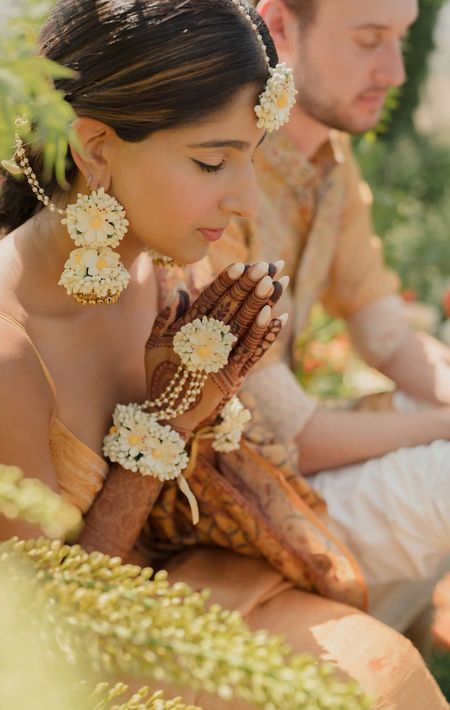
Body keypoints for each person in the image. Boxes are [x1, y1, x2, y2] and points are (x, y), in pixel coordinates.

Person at [0, 0, 446, 707]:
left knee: (386, 670)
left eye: (251, 160)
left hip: (193, 581)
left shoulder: (156, 271)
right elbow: (43, 639)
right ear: (95, 147)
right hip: (94, 661)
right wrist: (162, 426)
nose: (247, 202)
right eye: (212, 161)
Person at [207, 0, 450, 634]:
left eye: (401, 40)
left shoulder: (331, 166)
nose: (395, 71)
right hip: (228, 494)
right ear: (281, 26)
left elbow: (386, 333)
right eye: (370, 40)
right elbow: (294, 434)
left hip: (292, 458)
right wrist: (443, 423)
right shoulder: (214, 171)